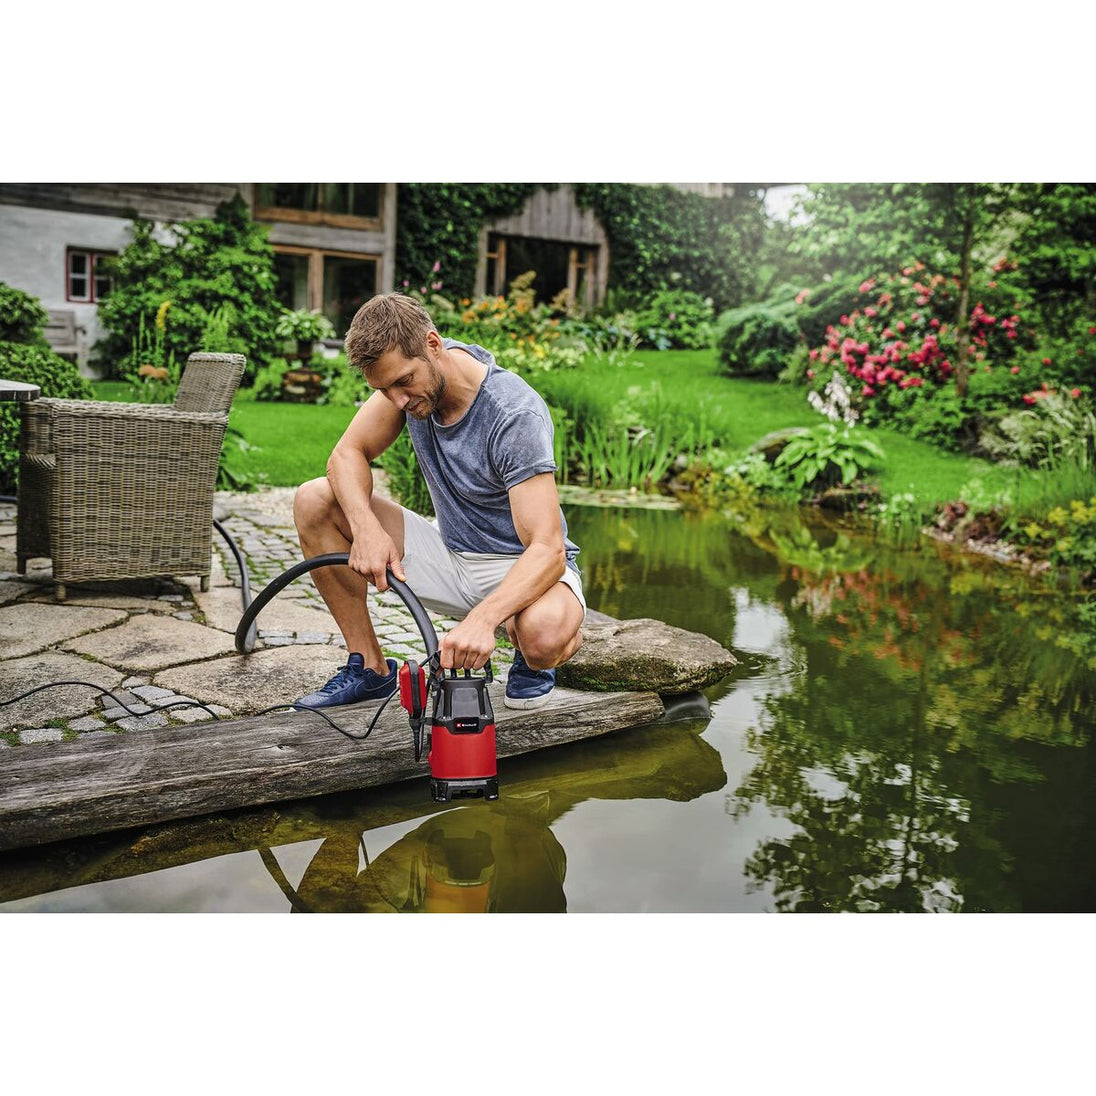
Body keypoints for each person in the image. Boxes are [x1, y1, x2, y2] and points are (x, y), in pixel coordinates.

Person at [293, 292, 585, 712]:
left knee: (542, 638)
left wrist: (482, 620)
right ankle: (370, 668)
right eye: (383, 389)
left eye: (403, 382)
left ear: (433, 344)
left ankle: (536, 638)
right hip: (450, 556)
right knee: (314, 499)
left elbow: (547, 548)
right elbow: (345, 455)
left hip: (521, 566)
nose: (397, 400)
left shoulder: (512, 414)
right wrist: (366, 528)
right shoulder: (409, 383)